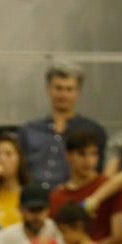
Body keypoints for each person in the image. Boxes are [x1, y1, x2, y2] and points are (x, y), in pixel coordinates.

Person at [18, 63, 107, 191]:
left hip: (74, 195)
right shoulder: (29, 130)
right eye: (58, 88)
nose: (63, 95)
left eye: (69, 89)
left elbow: (98, 173)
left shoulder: (93, 131)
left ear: (78, 93)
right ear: (48, 90)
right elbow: (19, 170)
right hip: (31, 197)